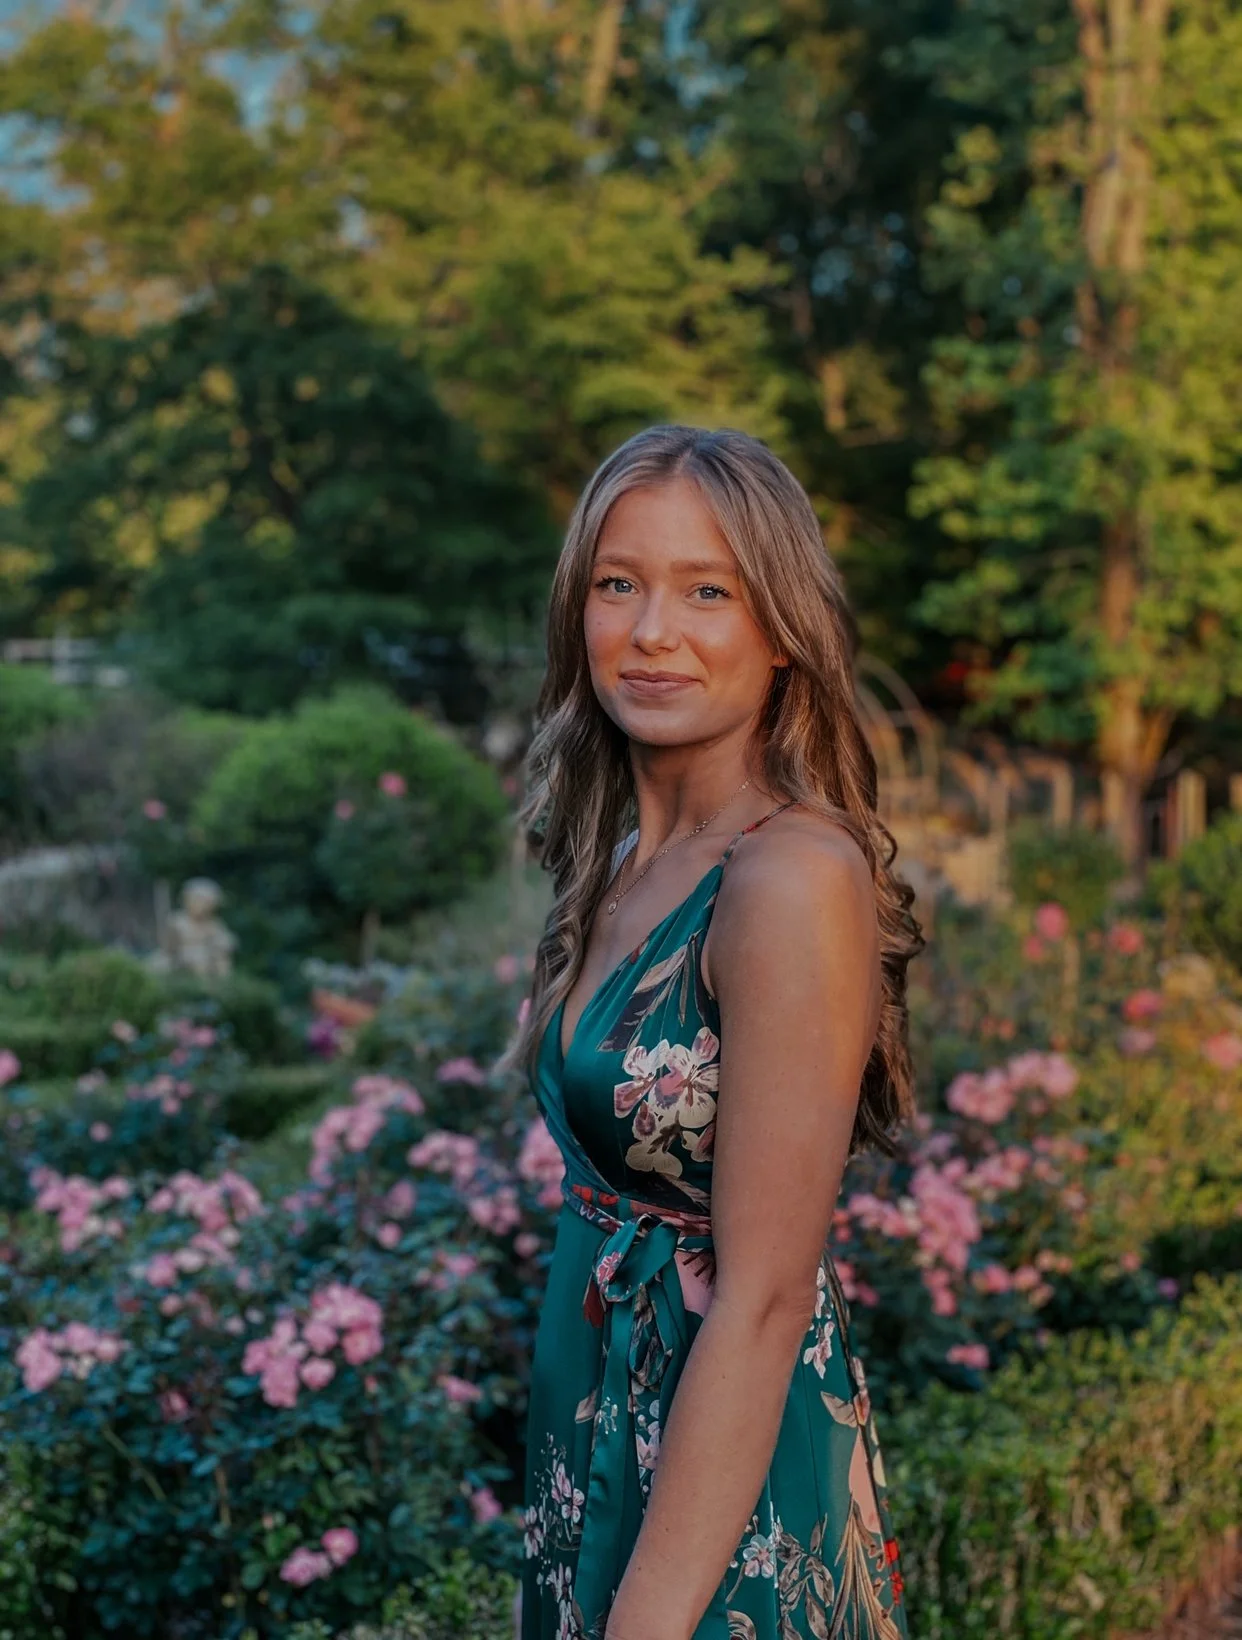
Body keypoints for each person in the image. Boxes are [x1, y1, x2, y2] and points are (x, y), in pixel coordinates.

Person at [507, 425, 925, 1640]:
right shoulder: (624, 858)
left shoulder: (786, 876)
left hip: (723, 1479)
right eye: (617, 583)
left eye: (708, 590)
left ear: (783, 625)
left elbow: (763, 1291)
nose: (651, 631)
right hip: (595, 1433)